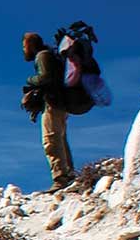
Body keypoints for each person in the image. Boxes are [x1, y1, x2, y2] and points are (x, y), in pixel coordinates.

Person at [21, 30, 92, 189]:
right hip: (61, 102)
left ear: (30, 45)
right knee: (60, 138)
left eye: (24, 47)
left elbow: (46, 77)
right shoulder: (49, 55)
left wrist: (30, 80)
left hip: (53, 102)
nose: (24, 51)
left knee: (51, 140)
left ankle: (60, 178)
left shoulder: (42, 56)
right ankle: (70, 174)